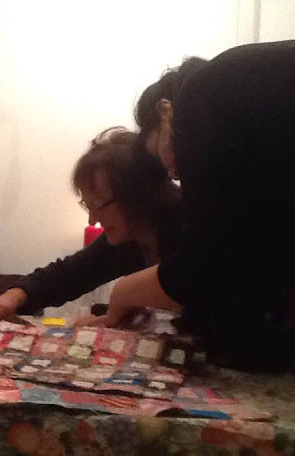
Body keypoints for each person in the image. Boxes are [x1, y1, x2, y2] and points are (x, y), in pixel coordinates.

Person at [105, 42, 295, 371]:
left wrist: (122, 292)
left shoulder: (201, 95)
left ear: (167, 114)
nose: (175, 173)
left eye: (160, 158)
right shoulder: (247, 104)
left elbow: (201, 270)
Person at [0, 127, 181, 321]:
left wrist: (123, 297)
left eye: (98, 205)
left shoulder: (187, 226)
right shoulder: (131, 238)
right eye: (88, 206)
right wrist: (15, 294)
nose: (92, 219)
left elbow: (183, 280)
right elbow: (71, 273)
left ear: (135, 196)